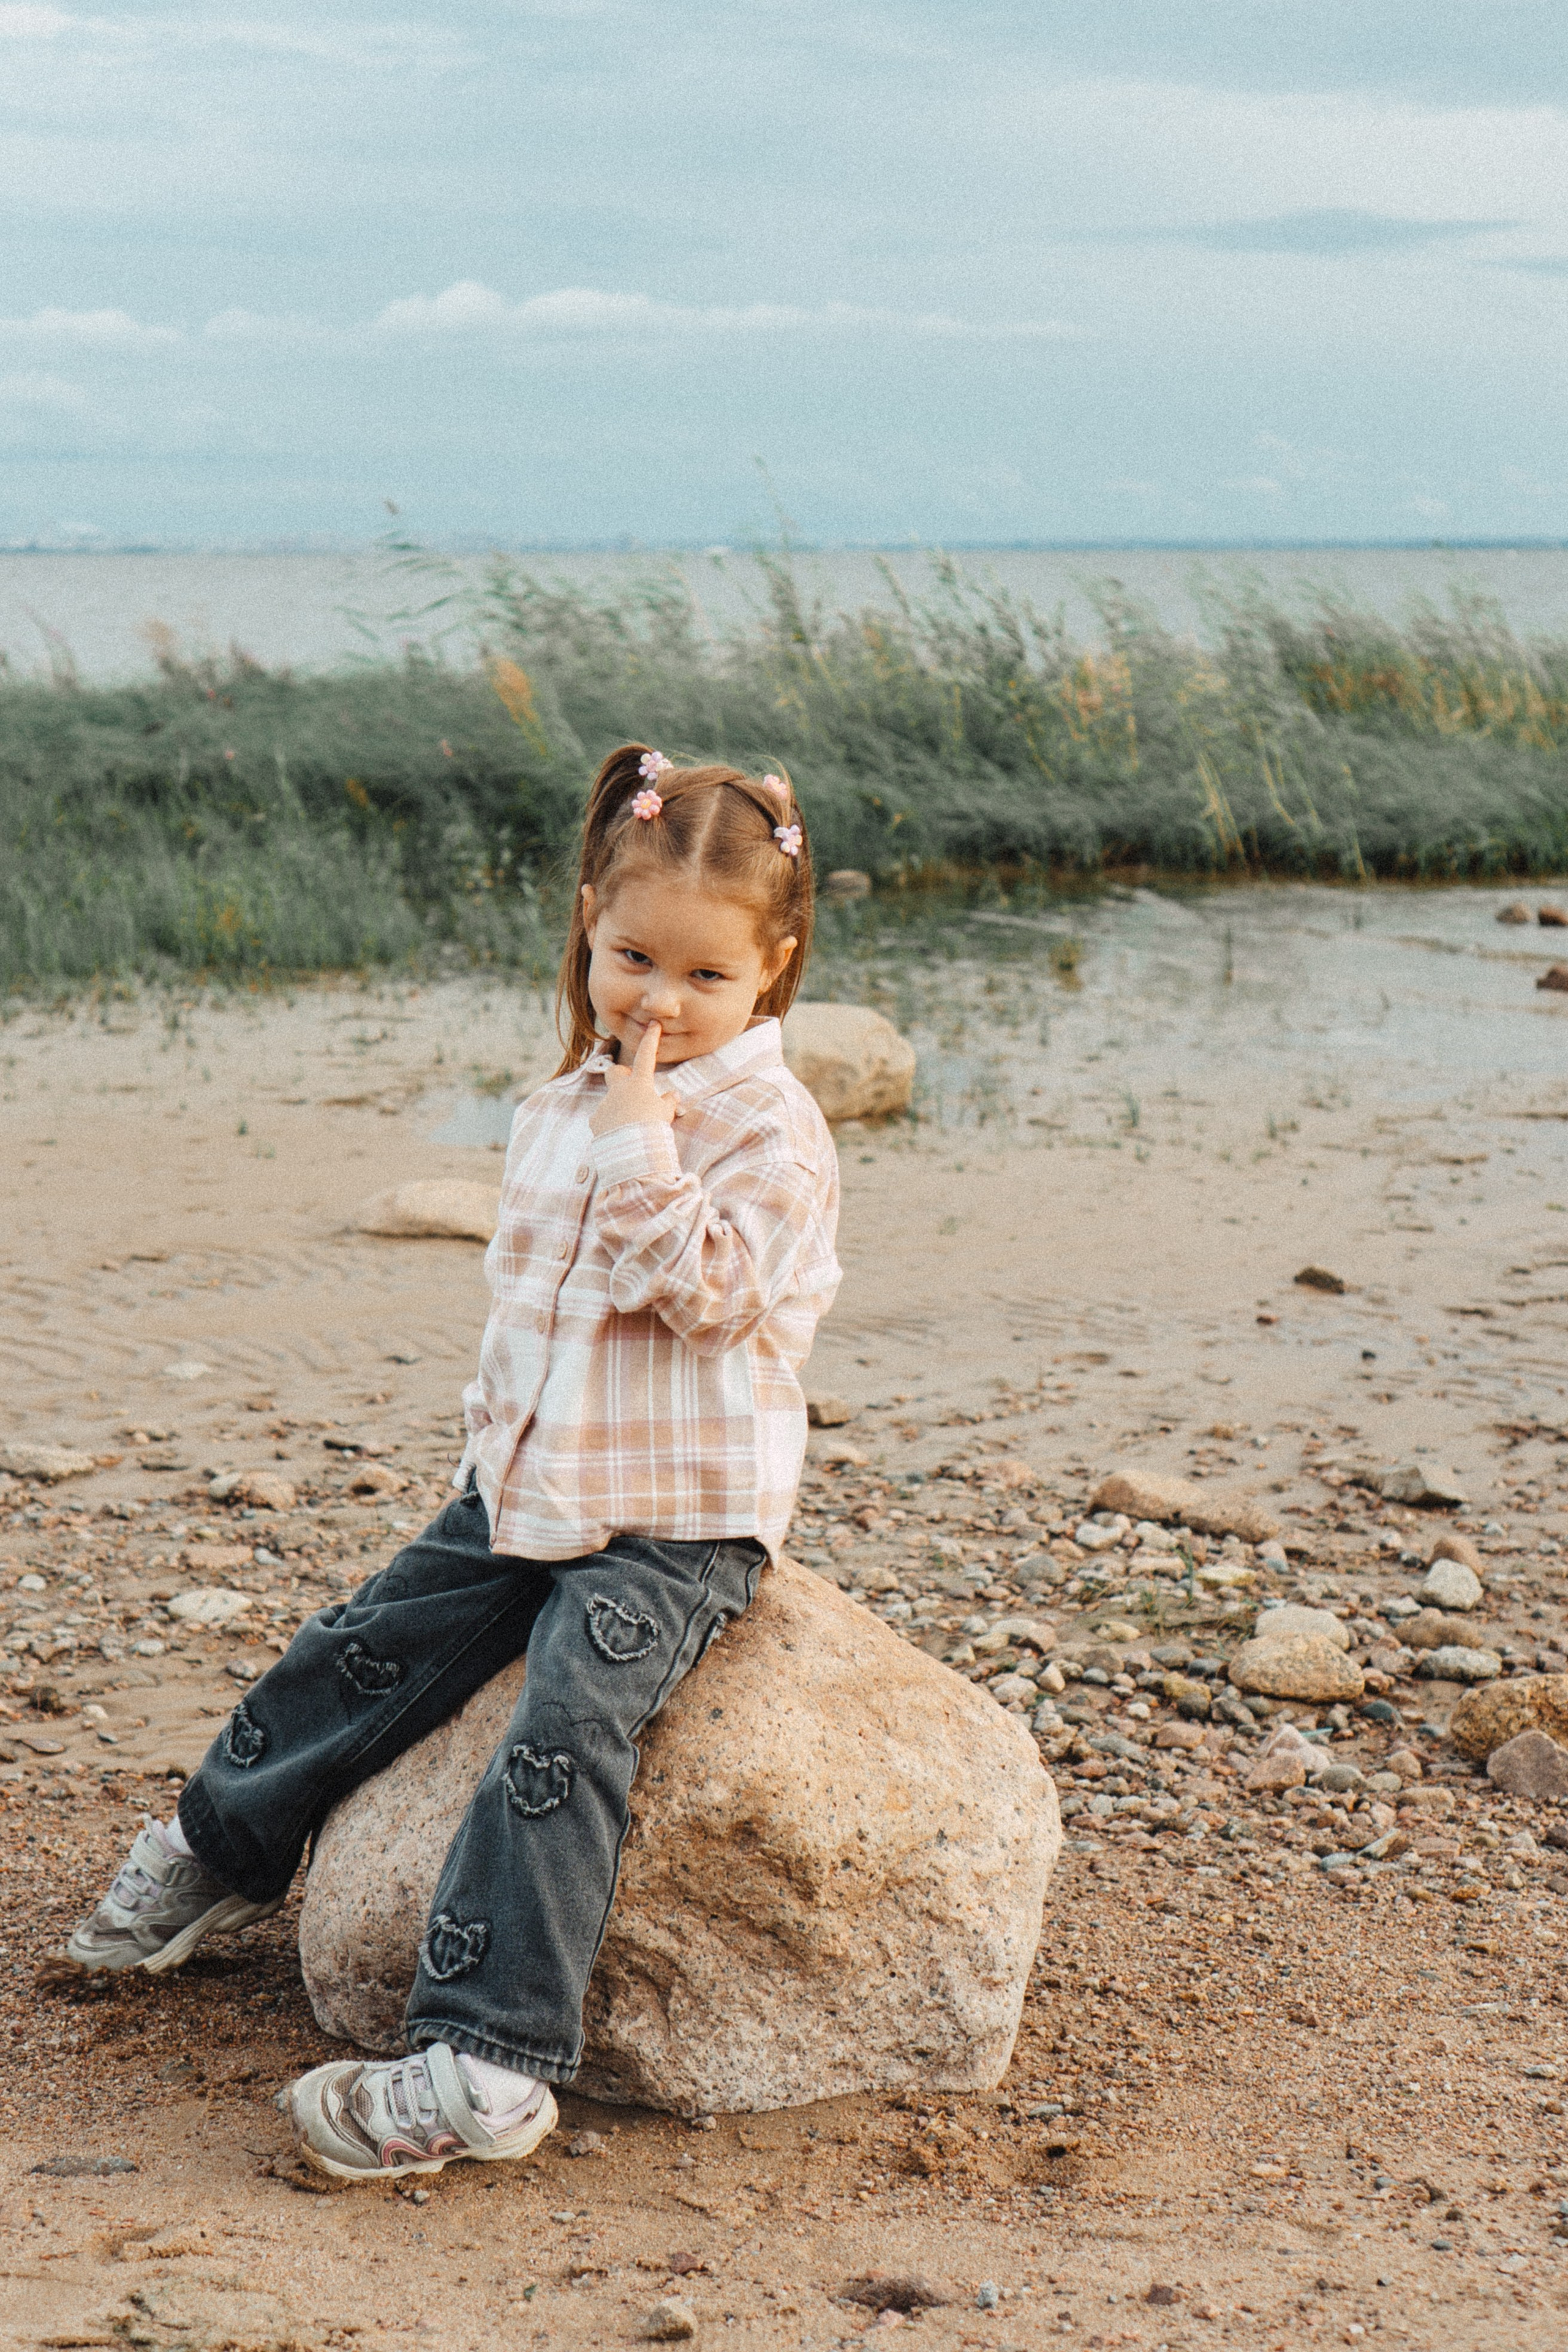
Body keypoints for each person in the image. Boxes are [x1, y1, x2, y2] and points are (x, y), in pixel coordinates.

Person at [67, 744, 842, 2184]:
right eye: (631, 960)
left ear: (772, 971)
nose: (658, 1004)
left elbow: (715, 1296)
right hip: (533, 1483)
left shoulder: (763, 1130)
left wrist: (639, 1143)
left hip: (678, 1519)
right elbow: (530, 1314)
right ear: (587, 929)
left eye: (703, 980)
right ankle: (215, 1850)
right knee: (368, 1642)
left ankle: (487, 2062)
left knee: (563, 1727)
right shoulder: (571, 1099)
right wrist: (495, 1453)